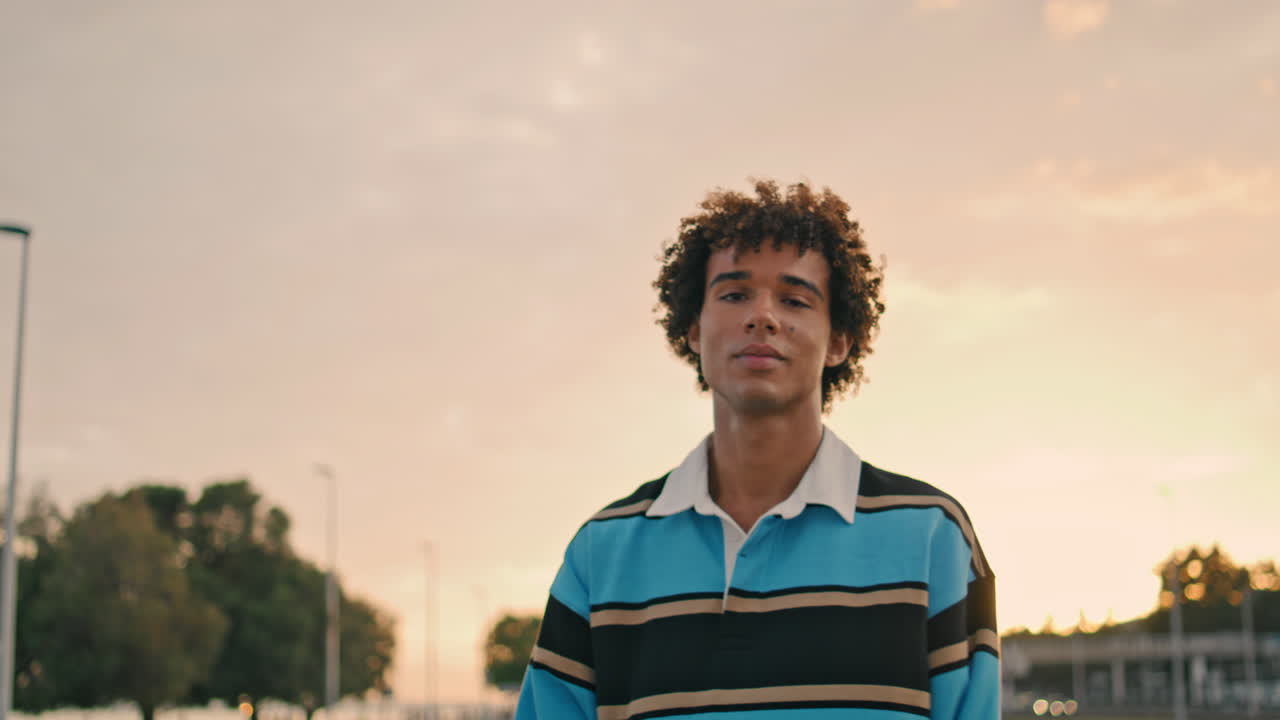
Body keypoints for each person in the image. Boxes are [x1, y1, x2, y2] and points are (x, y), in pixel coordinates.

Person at [515, 180, 999, 719]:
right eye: (734, 294)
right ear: (693, 328)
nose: (762, 316)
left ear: (839, 340)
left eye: (794, 299)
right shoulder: (601, 553)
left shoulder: (932, 536)